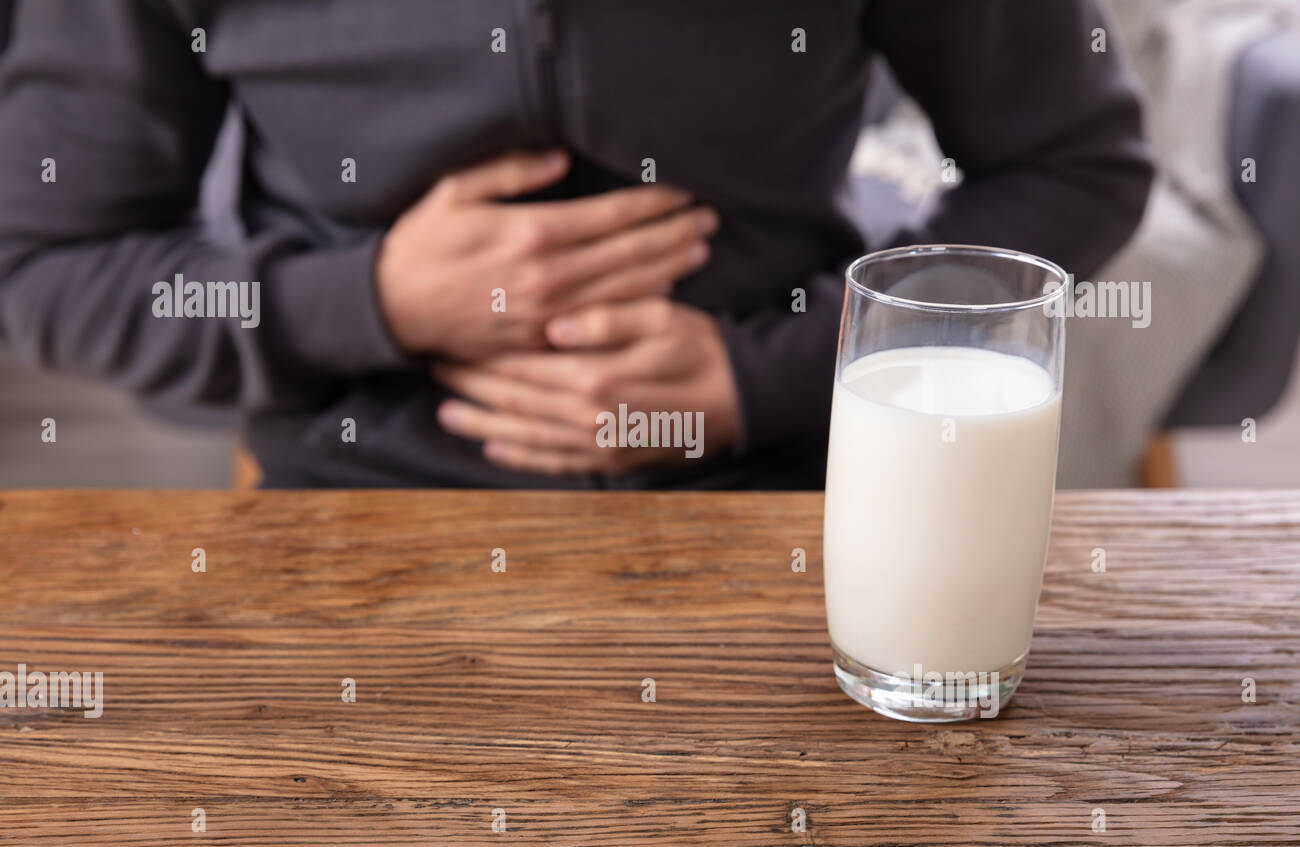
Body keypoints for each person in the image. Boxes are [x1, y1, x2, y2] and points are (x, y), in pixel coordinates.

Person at [0, 1, 1152, 489]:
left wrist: (775, 373)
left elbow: (1074, 166)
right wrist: (364, 303)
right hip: (355, 512)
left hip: (787, 494)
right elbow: (43, 265)